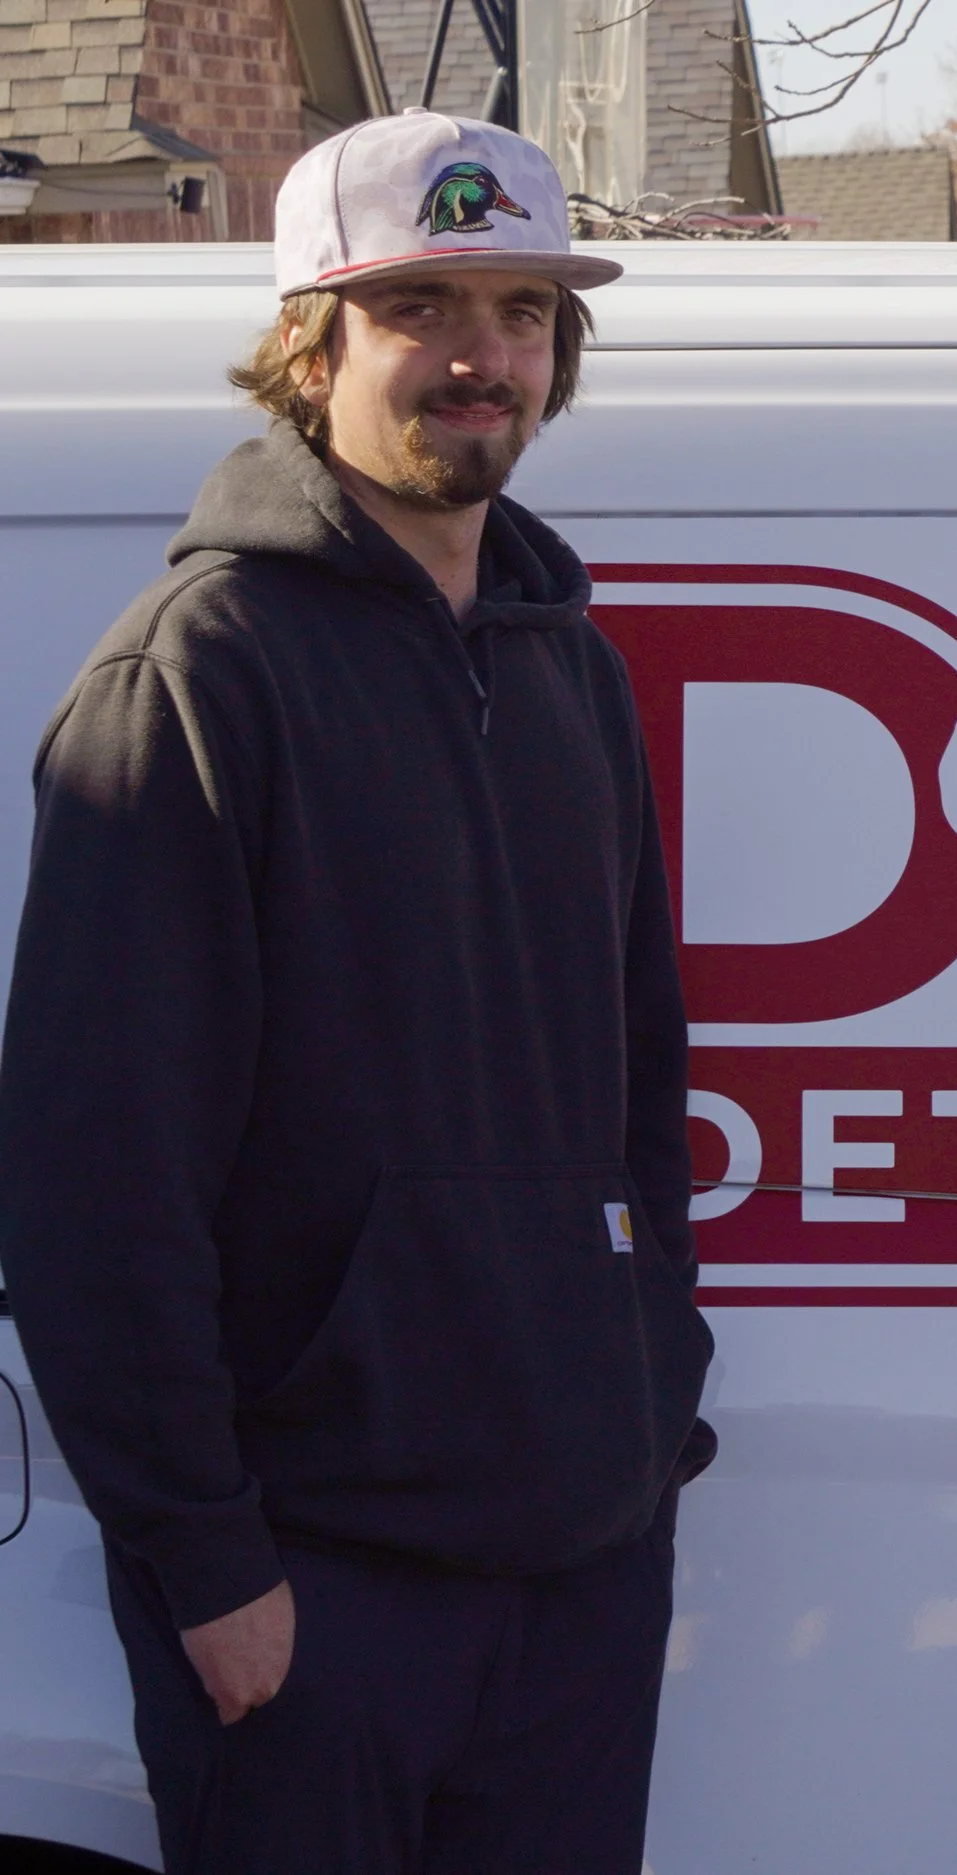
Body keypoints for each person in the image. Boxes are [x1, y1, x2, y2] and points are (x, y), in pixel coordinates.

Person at [0, 110, 712, 1874]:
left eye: (524, 309)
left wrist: (648, 1417)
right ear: (311, 347)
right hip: (313, 1602)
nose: (484, 356)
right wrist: (210, 1563)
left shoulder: (574, 671)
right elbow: (97, 1183)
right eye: (421, 305)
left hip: (573, 1585)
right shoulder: (199, 677)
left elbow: (636, 1088)